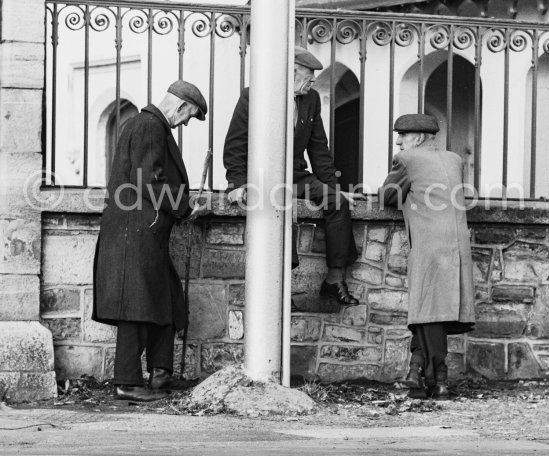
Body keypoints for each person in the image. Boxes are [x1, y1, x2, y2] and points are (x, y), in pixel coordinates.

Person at [93, 81, 208, 402]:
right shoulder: (149, 126)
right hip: (136, 232)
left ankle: (160, 373)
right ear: (182, 106)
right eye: (190, 116)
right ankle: (127, 383)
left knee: (166, 301)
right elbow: (148, 179)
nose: (186, 123)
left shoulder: (147, 125)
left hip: (143, 231)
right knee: (136, 306)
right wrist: (185, 206)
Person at [223, 46, 365, 306]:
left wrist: (332, 188)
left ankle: (334, 280)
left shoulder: (310, 100)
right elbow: (235, 144)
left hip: (297, 176)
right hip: (264, 177)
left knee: (337, 203)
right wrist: (236, 183)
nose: (312, 82)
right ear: (290, 71)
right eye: (308, 76)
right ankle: (279, 285)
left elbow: (319, 149)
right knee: (278, 206)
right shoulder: (252, 96)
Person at [379, 114, 475, 399]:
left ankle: (438, 376)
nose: (398, 141)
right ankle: (419, 372)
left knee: (427, 310)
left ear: (418, 138)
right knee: (430, 311)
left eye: (403, 136)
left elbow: (387, 195)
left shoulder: (407, 160)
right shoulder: (453, 159)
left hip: (430, 245)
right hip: (457, 246)